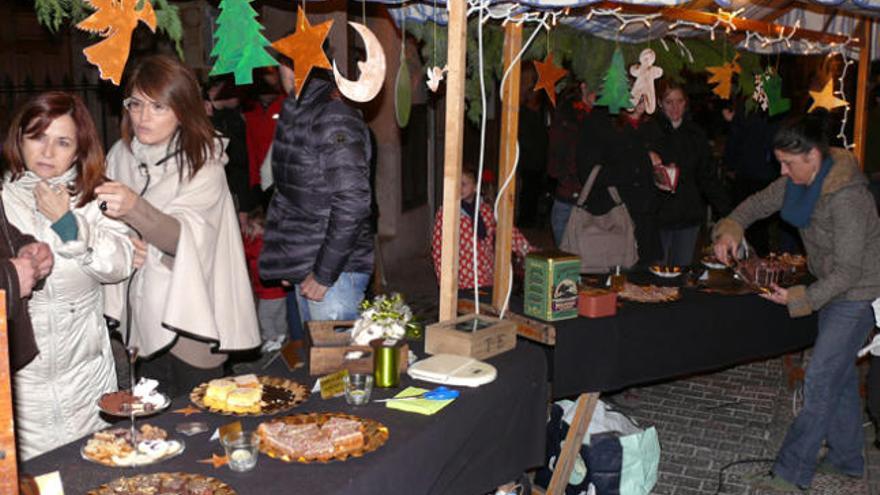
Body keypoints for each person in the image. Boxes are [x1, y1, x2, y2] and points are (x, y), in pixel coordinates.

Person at [712, 115, 880, 491]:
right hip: (834, 286)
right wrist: (730, 229)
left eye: (789, 163)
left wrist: (800, 297)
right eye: (780, 163)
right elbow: (754, 205)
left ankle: (789, 474)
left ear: (814, 156)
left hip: (859, 292)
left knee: (820, 378)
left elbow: (849, 272)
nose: (783, 171)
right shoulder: (796, 183)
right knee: (838, 377)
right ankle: (847, 459)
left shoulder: (848, 196)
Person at [97, 55, 260, 397]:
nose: (143, 117)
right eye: (136, 104)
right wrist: (124, 243)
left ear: (182, 109)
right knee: (154, 426)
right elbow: (102, 221)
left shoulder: (204, 162)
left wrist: (135, 210)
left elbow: (188, 239)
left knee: (201, 425)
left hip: (190, 319)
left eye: (158, 107)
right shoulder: (120, 156)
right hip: (141, 316)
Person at [2, 92, 133, 460]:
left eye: (62, 142)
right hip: (24, 386)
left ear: (78, 151)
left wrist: (68, 224)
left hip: (87, 377)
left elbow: (120, 263)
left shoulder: (94, 197)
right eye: (37, 136)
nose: (47, 151)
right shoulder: (3, 201)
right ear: (19, 139)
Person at [259, 73, 373, 323]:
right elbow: (290, 195)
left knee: (338, 360)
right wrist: (290, 262)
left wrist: (324, 273)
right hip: (311, 266)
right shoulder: (298, 110)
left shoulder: (334, 116)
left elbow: (352, 202)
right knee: (319, 358)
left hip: (336, 274)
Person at [647, 81, 730, 266]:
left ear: (686, 103)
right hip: (657, 216)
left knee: (681, 272)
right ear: (660, 103)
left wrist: (727, 211)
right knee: (655, 273)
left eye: (680, 101)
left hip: (688, 217)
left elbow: (707, 176)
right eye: (669, 102)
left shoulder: (696, 134)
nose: (675, 107)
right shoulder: (649, 131)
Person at [577, 96, 662, 267]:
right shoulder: (600, 122)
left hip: (646, 224)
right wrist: (642, 162)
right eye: (637, 94)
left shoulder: (652, 126)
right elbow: (590, 173)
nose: (641, 101)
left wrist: (662, 176)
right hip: (611, 221)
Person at [431, 168, 533, 289]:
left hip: (486, 275)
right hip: (462, 279)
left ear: (475, 187)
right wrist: (444, 279)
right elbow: (438, 247)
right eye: (456, 184)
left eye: (463, 184)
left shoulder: (485, 211)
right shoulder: (447, 213)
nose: (459, 188)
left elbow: (506, 232)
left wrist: (527, 250)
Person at [547, 82, 596, 246]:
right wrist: (569, 177)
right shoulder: (567, 114)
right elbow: (556, 157)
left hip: (596, 203)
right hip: (568, 198)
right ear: (583, 86)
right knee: (567, 264)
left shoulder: (607, 116)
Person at [242, 206, 287, 353]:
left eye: (252, 227)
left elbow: (247, 252)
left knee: (264, 316)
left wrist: (243, 238)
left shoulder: (259, 243)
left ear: (262, 228)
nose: (249, 230)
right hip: (279, 290)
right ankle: (281, 335)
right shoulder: (270, 241)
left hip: (269, 292)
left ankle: (271, 338)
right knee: (279, 315)